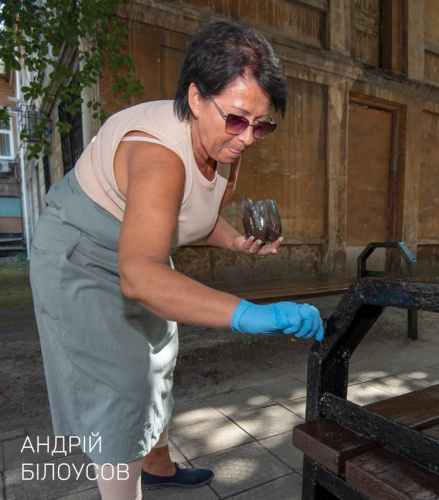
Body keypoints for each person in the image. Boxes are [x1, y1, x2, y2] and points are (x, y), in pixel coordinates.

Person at [29, 21, 324, 499]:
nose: (248, 137)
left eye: (262, 124)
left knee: (159, 360)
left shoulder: (227, 144)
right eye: (236, 119)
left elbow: (196, 215)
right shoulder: (157, 158)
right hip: (82, 251)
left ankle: (159, 466)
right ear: (194, 97)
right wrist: (246, 314)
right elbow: (140, 275)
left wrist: (233, 242)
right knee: (121, 387)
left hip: (142, 250)